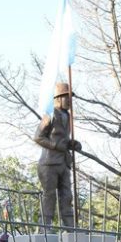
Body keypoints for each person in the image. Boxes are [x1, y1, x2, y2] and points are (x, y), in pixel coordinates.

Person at [33, 82, 82, 227]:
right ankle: (45, 227)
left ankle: (69, 227)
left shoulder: (68, 116)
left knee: (67, 196)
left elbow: (63, 139)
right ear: (58, 98)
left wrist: (72, 144)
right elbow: (38, 137)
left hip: (64, 162)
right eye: (67, 97)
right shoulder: (50, 115)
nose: (70, 101)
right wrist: (55, 145)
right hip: (49, 163)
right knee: (50, 196)